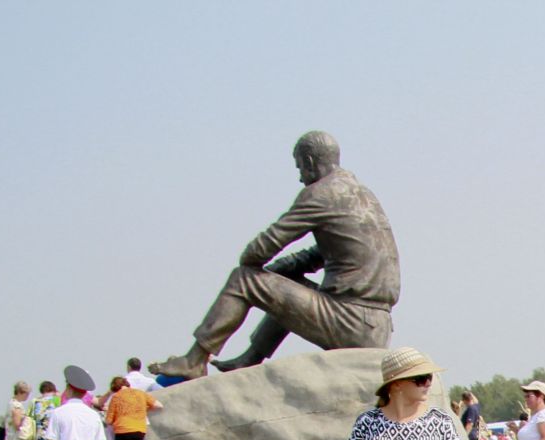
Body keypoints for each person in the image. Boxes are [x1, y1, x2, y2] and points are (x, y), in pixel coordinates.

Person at [150, 131, 400, 379]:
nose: (301, 177)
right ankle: (251, 358)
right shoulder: (363, 195)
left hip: (349, 319)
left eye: (300, 168)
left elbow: (263, 247)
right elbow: (322, 254)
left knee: (243, 280)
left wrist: (258, 266)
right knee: (284, 283)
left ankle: (195, 361)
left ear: (310, 162)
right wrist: (283, 269)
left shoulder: (321, 193)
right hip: (376, 326)